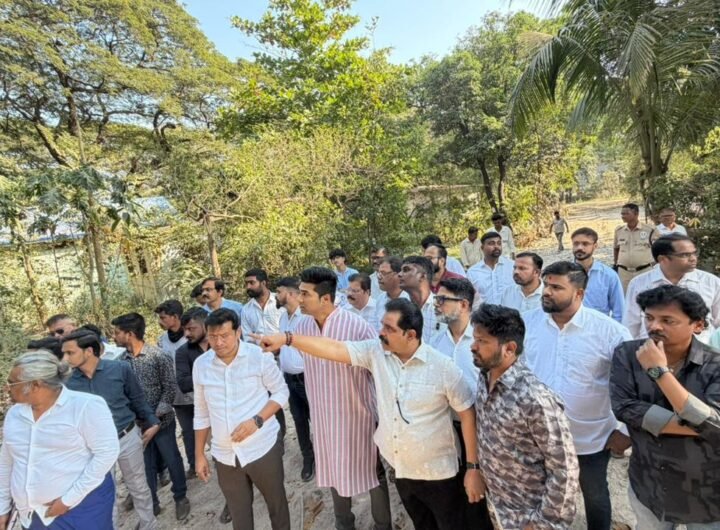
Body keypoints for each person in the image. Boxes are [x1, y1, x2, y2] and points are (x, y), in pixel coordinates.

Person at [256, 298, 483, 530]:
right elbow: (335, 348)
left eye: (389, 328)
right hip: (401, 470)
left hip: (439, 474)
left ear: (410, 335)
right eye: (382, 325)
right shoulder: (376, 352)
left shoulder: (443, 368)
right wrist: (288, 339)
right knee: (422, 524)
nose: (380, 332)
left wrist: (473, 468)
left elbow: (467, 415)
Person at [522, 261, 632, 530]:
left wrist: (624, 430)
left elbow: (630, 385)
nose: (547, 292)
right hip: (539, 435)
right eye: (546, 285)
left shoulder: (610, 332)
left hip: (591, 437)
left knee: (594, 494)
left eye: (556, 287)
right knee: (541, 494)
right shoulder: (528, 324)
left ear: (579, 293)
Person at [286, 267, 392, 530]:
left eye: (305, 294)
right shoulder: (302, 327)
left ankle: (383, 525)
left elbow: (381, 369)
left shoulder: (356, 326)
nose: (299, 299)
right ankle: (344, 524)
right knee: (334, 470)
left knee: (373, 473)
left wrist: (381, 414)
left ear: (325, 298)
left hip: (358, 416)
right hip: (323, 418)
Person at [611, 285, 720, 528]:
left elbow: (716, 427)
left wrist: (659, 372)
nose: (654, 326)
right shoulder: (628, 354)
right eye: (649, 318)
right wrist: (696, 423)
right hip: (649, 485)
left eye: (667, 320)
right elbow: (624, 407)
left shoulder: (715, 365)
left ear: (698, 325)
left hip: (707, 494)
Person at [471, 305, 579, 529]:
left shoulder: (535, 399)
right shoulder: (484, 379)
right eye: (474, 339)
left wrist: (542, 524)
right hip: (499, 510)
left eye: (482, 341)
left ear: (509, 348)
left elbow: (565, 470)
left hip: (529, 517)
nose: (473, 346)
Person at [193, 309, 291, 530]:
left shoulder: (258, 357)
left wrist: (257, 421)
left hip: (262, 446)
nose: (218, 343)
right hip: (225, 454)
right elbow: (201, 413)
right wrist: (199, 455)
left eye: (224, 335)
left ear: (238, 332)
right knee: (239, 514)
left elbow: (281, 392)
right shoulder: (201, 365)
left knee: (277, 504)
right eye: (213, 336)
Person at [0, 351, 119, 530]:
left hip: (82, 509)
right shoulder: (14, 414)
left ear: (36, 384)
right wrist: (2, 507)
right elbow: (7, 462)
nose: (6, 388)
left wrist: (67, 500)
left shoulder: (86, 406)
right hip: (32, 516)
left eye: (12, 383)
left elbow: (106, 454)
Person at [62, 330, 160, 530]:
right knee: (105, 493)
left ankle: (149, 525)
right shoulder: (68, 384)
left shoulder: (120, 369)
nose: (65, 358)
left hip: (126, 437)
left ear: (89, 351)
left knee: (138, 486)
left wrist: (152, 422)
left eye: (70, 352)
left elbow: (137, 399)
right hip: (93, 447)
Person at [112, 313, 190, 520]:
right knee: (145, 466)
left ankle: (180, 497)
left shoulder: (157, 356)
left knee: (172, 459)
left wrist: (155, 417)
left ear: (129, 334)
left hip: (162, 421)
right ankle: (152, 504)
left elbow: (170, 387)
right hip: (137, 426)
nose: (114, 337)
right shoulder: (121, 363)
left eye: (117, 332)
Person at [429, 278, 492, 528]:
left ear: (464, 304)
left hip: (483, 431)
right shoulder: (436, 343)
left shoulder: (483, 341)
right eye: (436, 298)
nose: (437, 304)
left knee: (481, 497)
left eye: (443, 299)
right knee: (454, 495)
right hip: (447, 431)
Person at [624, 234, 720, 343]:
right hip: (653, 347)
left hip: (701, 350)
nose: (693, 258)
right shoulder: (639, 284)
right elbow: (631, 324)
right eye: (685, 255)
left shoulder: (712, 282)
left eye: (694, 253)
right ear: (663, 259)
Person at [275, 277, 315, 482]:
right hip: (289, 379)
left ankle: (326, 454)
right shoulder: (283, 318)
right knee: (299, 421)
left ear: (290, 294)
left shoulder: (306, 317)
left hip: (308, 378)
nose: (276, 295)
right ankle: (308, 458)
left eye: (279, 291)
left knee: (318, 419)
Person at [175, 308, 211, 484]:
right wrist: (215, 373)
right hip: (205, 411)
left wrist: (200, 377)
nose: (186, 334)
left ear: (205, 325)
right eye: (184, 329)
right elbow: (183, 383)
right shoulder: (182, 352)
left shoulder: (221, 344)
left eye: (191, 328)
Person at [572, 228, 625, 322]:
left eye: (585, 244)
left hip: (599, 328)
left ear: (595, 246)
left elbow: (619, 311)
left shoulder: (608, 276)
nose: (579, 247)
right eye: (576, 244)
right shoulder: (562, 274)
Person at [613, 202, 659, 291]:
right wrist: (615, 264)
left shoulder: (650, 230)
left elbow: (658, 248)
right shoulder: (619, 231)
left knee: (646, 295)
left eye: (626, 213)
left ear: (636, 214)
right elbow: (616, 248)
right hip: (624, 272)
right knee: (625, 296)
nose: (623, 216)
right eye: (622, 214)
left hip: (644, 271)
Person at [466, 232, 514, 309]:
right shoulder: (473, 272)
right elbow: (470, 298)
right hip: (484, 315)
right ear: (482, 248)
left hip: (510, 314)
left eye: (499, 243)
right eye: (491, 243)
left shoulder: (512, 267)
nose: (496, 246)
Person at [399, 256, 441, 342]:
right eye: (401, 270)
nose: (399, 274)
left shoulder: (441, 307)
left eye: (406, 270)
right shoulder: (398, 308)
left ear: (422, 276)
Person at [241, 268, 283, 343]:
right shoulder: (246, 309)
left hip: (283, 347)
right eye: (246, 283)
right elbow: (248, 338)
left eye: (252, 283)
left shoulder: (281, 302)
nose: (248, 287)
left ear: (263, 283)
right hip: (258, 349)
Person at [374, 256, 410, 326]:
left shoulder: (410, 300)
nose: (379, 277)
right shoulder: (380, 299)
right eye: (378, 273)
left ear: (398, 275)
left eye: (383, 273)